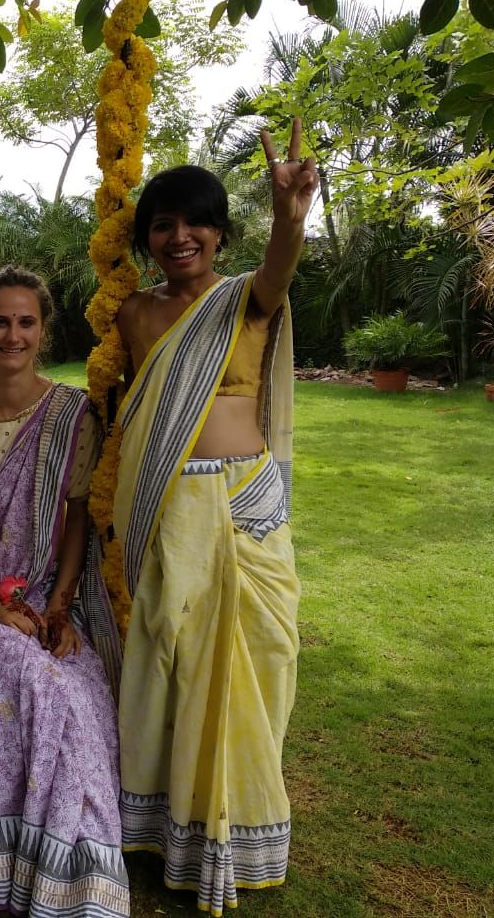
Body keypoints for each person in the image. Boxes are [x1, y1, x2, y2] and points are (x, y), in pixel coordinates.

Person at [111, 121, 317, 915]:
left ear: (222, 234)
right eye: (162, 224)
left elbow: (278, 268)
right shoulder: (134, 314)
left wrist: (290, 214)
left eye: (195, 221)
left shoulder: (248, 299)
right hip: (169, 501)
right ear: (147, 240)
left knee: (263, 654)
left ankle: (243, 819)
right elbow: (138, 411)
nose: (179, 235)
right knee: (171, 659)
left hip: (245, 501)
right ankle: (169, 827)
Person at [0, 266, 128, 918]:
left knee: (80, 683)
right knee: (31, 677)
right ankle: (31, 862)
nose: (12, 334)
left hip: (50, 589)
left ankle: (84, 865)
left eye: (25, 322)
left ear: (42, 330)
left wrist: (58, 606)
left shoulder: (71, 415)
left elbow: (76, 517)